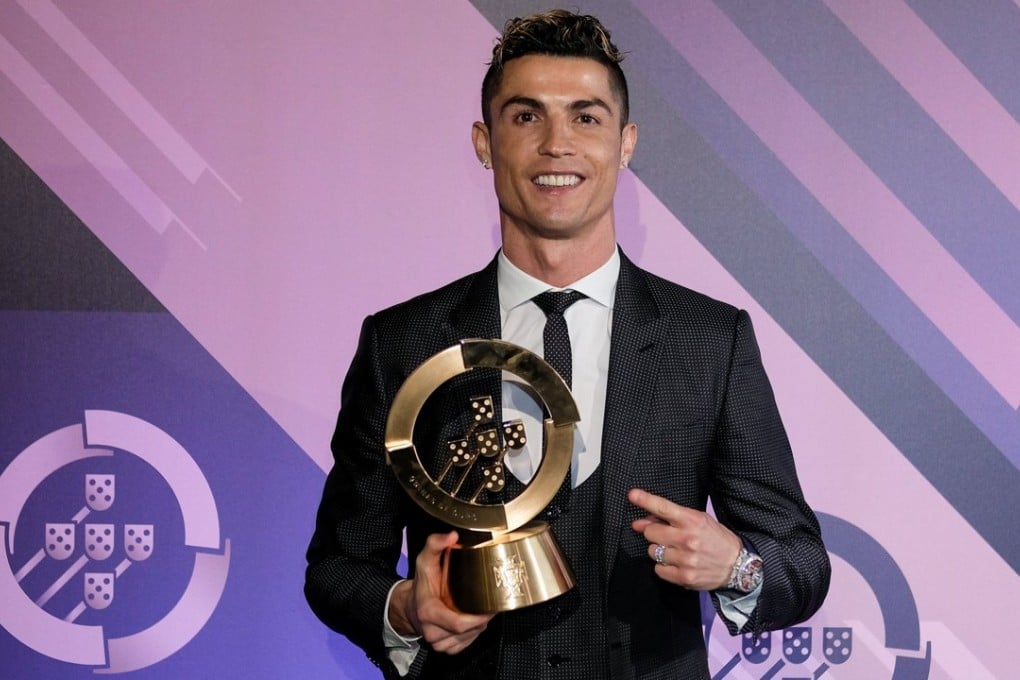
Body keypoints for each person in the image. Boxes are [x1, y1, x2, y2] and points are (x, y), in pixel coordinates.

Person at [305, 9, 829, 679]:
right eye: (526, 117)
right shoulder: (402, 342)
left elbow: (802, 561)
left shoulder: (709, 340)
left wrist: (737, 565)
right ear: (485, 141)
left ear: (626, 142)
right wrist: (407, 606)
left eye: (586, 117)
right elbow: (339, 565)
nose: (557, 145)